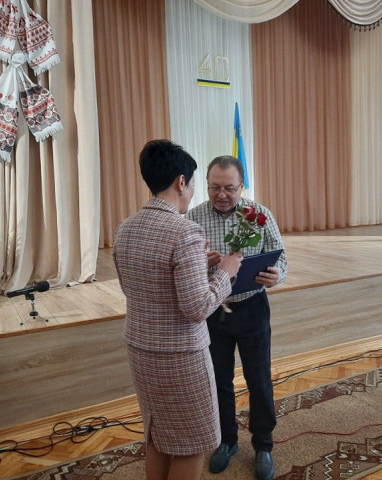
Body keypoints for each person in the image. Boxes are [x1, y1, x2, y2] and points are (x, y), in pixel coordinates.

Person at [113, 140, 243, 480]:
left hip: (141, 350)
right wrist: (225, 272)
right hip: (180, 356)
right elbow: (197, 307)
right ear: (181, 182)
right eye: (195, 183)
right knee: (191, 444)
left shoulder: (126, 227)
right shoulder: (185, 230)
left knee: (159, 436)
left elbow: (138, 287)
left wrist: (197, 265)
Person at [186, 155, 288, 480]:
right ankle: (226, 441)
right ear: (206, 185)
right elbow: (184, 267)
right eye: (214, 187)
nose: (221, 194)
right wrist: (202, 263)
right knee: (218, 380)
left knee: (259, 379)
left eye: (229, 188)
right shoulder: (194, 218)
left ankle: (263, 445)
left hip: (252, 307)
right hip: (213, 311)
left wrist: (277, 275)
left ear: (242, 186)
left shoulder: (259, 215)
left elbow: (281, 258)